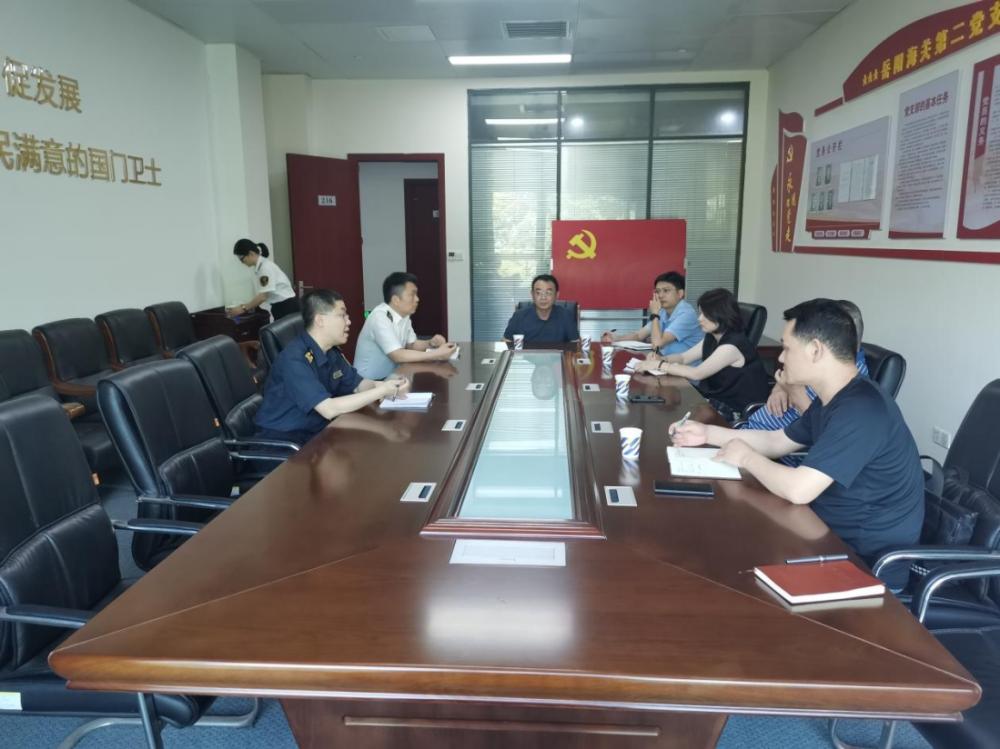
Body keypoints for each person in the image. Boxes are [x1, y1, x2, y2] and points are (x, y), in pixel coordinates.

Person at [670, 298, 923, 590]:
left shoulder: (861, 409)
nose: (781, 357)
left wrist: (747, 457)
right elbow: (776, 440)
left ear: (815, 350)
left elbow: (799, 489)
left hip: (862, 566)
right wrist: (707, 433)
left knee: (724, 568)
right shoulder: (834, 400)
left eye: (787, 348)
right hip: (822, 536)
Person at [253, 289, 410, 447]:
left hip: (316, 434)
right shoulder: (294, 359)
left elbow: (357, 385)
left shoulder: (331, 352)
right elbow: (328, 409)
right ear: (320, 320)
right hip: (282, 444)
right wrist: (381, 392)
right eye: (342, 315)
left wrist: (385, 386)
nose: (348, 321)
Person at [740, 300, 870, 467]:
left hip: (782, 457)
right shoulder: (815, 364)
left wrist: (795, 392)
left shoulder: (849, 385)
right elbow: (787, 375)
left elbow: (824, 433)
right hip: (759, 437)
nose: (781, 357)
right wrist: (780, 389)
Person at [634, 287, 769, 422]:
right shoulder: (713, 336)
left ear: (721, 315)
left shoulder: (732, 345)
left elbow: (697, 373)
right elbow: (684, 357)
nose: (699, 319)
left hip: (736, 411)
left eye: (705, 315)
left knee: (675, 420)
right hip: (714, 401)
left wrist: (659, 365)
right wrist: (662, 358)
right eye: (700, 313)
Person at [353, 272, 456, 381]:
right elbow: (397, 355)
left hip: (392, 377)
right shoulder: (380, 317)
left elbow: (411, 344)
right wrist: (436, 354)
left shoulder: (404, 315)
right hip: (368, 383)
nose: (417, 299)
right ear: (396, 300)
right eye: (412, 295)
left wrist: (430, 343)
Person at [600, 271, 703, 357]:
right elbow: (639, 335)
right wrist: (617, 338)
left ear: (680, 293)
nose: (660, 295)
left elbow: (657, 344)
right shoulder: (662, 312)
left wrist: (654, 314)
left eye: (666, 290)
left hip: (686, 370)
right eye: (657, 291)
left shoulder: (686, 314)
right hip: (665, 362)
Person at [230, 239, 299, 320]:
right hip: (283, 306)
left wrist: (243, 309)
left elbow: (262, 297)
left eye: (241, 259)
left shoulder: (265, 268)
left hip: (285, 307)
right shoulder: (262, 266)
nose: (242, 262)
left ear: (251, 253)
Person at [502, 274, 580, 344]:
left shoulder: (566, 316)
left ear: (556, 295)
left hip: (558, 356)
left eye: (548, 293)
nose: (543, 298)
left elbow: (576, 344)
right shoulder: (519, 316)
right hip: (527, 356)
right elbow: (506, 341)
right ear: (532, 294)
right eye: (538, 293)